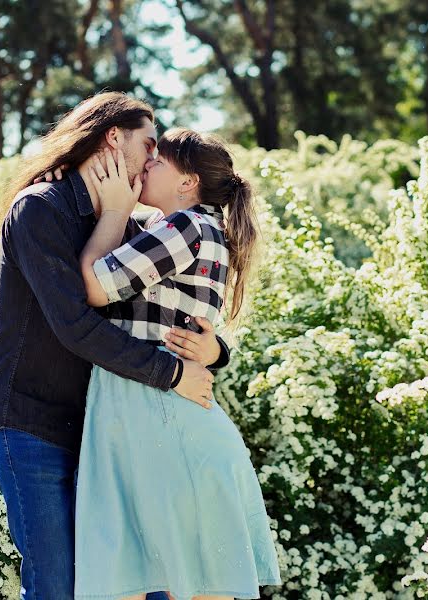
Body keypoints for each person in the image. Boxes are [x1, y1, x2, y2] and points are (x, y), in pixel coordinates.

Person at [0, 92, 231, 600]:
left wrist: (215, 351)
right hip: (31, 424)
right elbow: (74, 324)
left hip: (102, 431)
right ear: (114, 138)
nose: (153, 159)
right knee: (59, 587)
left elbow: (174, 303)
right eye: (148, 145)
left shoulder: (123, 223)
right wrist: (173, 374)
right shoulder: (39, 210)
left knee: (139, 583)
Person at [72, 129, 281, 600]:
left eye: (157, 162)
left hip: (153, 411)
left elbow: (95, 286)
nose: (145, 167)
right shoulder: (206, 232)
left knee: (124, 575)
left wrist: (113, 211)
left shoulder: (184, 227)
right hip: (177, 416)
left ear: (187, 182)